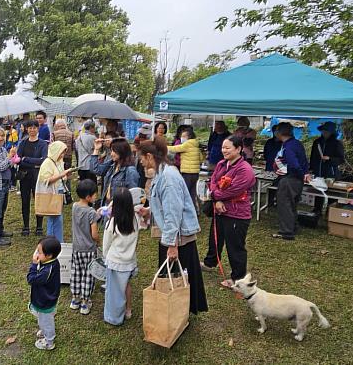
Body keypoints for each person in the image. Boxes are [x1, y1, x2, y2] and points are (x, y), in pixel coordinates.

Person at [136, 137, 208, 314]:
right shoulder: (163, 172)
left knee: (178, 275)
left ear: (149, 156)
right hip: (174, 235)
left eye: (141, 157)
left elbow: (173, 213)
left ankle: (179, 311)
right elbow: (166, 204)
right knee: (175, 275)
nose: (140, 161)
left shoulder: (168, 177)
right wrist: (149, 210)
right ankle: (177, 310)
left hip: (178, 237)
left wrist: (172, 245)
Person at [201, 135, 257, 288]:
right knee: (215, 238)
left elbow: (233, 190)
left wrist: (214, 195)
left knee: (235, 246)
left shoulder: (245, 169)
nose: (224, 150)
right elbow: (213, 181)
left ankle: (238, 277)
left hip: (236, 213)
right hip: (220, 209)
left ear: (238, 149)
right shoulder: (221, 164)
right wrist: (217, 199)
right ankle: (210, 262)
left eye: (227, 148)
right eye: (223, 147)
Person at [103, 187, 140, 325]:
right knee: (126, 286)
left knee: (114, 290)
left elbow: (106, 243)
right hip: (129, 261)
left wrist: (105, 256)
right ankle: (128, 310)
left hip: (115, 261)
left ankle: (114, 317)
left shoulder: (113, 223)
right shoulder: (135, 220)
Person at [271, 122, 311, 241]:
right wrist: (304, 173)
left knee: (285, 204)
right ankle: (293, 227)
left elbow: (294, 164)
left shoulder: (288, 147)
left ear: (279, 133)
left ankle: (286, 232)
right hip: (296, 179)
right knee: (292, 204)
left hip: (290, 179)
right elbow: (303, 161)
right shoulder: (296, 143)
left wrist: (301, 174)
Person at [70, 179, 100, 316]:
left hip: (76, 248)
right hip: (89, 249)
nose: (96, 196)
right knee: (88, 275)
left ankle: (75, 299)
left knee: (76, 272)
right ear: (88, 197)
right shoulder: (91, 212)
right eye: (95, 194)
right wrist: (98, 241)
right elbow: (94, 234)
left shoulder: (74, 206)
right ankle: (85, 302)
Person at [15, 119, 49, 236]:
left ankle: (39, 226)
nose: (32, 130)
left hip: (37, 176)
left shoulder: (43, 144)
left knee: (38, 200)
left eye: (34, 128)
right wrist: (34, 163)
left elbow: (44, 160)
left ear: (38, 129)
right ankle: (26, 226)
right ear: (27, 129)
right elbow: (18, 160)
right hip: (24, 176)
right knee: (25, 201)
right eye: (30, 128)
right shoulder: (23, 143)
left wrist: (27, 159)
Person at [27, 237, 62, 351]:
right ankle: (45, 330)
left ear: (49, 255)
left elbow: (31, 279)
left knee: (46, 321)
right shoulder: (52, 262)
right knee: (44, 318)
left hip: (45, 300)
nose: (36, 254)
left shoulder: (47, 271)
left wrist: (33, 265)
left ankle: (49, 341)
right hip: (48, 296)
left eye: (39, 252)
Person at [38, 141, 74, 242]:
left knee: (58, 218)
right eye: (61, 152)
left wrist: (66, 175)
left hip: (59, 192)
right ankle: (51, 241)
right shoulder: (47, 163)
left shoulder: (59, 162)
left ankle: (58, 241)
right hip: (52, 193)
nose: (63, 155)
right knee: (53, 218)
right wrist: (62, 175)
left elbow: (60, 177)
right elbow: (46, 180)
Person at [90, 138, 140, 209]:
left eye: (114, 151)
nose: (111, 154)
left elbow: (133, 194)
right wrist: (96, 149)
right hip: (106, 205)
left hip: (119, 208)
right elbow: (95, 170)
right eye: (111, 151)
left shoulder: (130, 171)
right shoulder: (112, 164)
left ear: (122, 151)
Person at [309, 121, 345, 215]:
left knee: (332, 194)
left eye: (326, 131)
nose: (324, 133)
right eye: (323, 131)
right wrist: (311, 168)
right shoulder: (317, 142)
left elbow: (341, 159)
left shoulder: (337, 143)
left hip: (331, 173)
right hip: (318, 172)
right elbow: (312, 157)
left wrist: (329, 158)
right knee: (318, 192)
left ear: (331, 132)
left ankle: (331, 212)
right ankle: (317, 210)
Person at [168, 126, 203, 207]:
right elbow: (201, 158)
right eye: (181, 136)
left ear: (189, 136)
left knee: (185, 192)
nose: (182, 138)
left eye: (184, 136)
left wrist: (164, 147)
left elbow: (176, 148)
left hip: (187, 172)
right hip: (195, 173)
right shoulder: (195, 144)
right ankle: (193, 209)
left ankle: (185, 209)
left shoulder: (187, 144)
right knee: (192, 193)